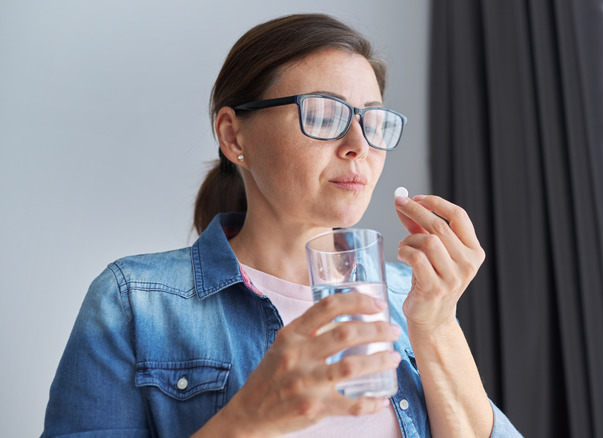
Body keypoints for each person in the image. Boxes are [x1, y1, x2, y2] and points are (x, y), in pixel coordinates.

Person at [42, 13, 522, 437]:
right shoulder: (135, 303)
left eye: (372, 121)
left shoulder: (408, 298)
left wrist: (435, 324)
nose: (359, 144)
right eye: (323, 113)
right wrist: (248, 420)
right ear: (234, 135)